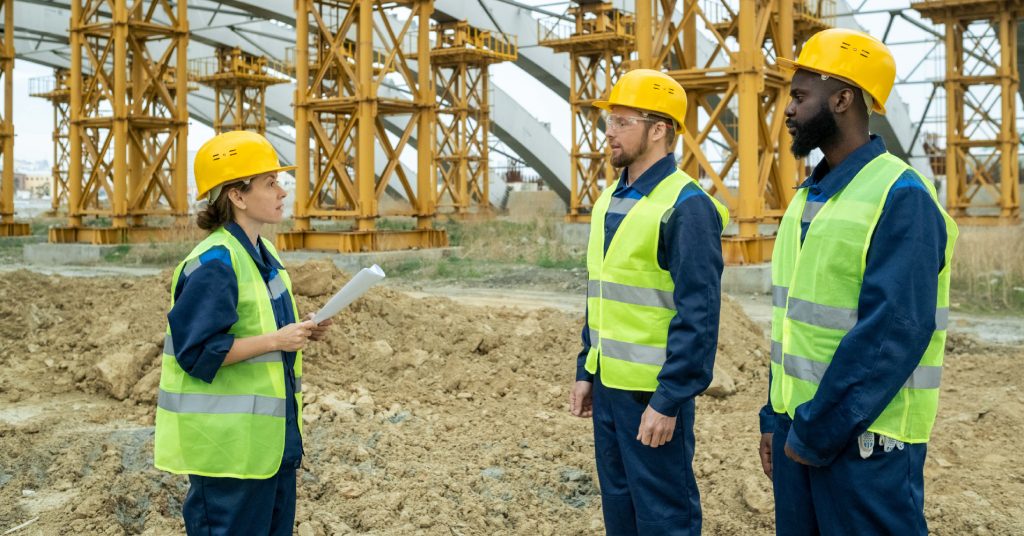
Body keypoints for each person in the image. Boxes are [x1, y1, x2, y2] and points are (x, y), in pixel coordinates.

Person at [758, 28, 958, 535]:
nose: (788, 109)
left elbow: (891, 336)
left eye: (800, 96)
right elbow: (792, 325)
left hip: (866, 446)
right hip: (801, 430)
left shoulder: (902, 196)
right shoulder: (809, 196)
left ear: (843, 99)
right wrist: (774, 417)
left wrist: (813, 433)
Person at [568, 68, 729, 535]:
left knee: (664, 517)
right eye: (609, 123)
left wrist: (670, 399)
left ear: (659, 130)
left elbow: (699, 315)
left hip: (652, 396)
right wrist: (586, 368)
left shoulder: (686, 205)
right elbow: (601, 292)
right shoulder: (609, 200)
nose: (608, 135)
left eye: (622, 123)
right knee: (620, 510)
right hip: (609, 390)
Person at [153, 130, 331, 535]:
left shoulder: (263, 257)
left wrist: (304, 330)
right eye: (270, 183)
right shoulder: (217, 262)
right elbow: (198, 353)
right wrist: (278, 340)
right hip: (229, 455)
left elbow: (268, 330)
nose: (282, 191)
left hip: (269, 449)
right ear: (236, 195)